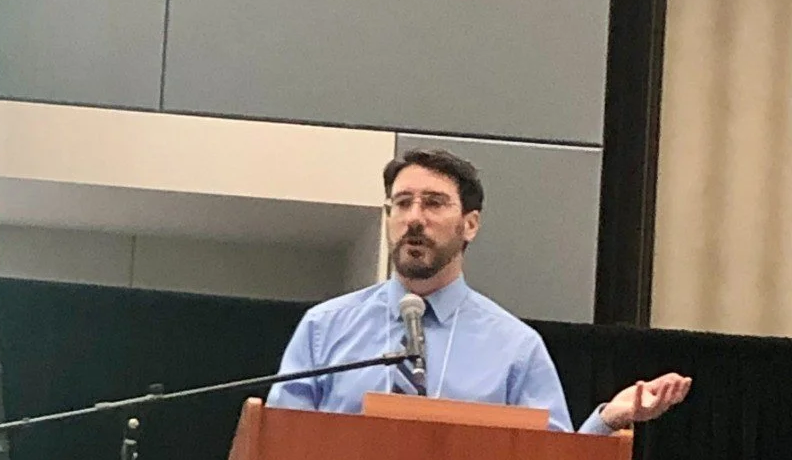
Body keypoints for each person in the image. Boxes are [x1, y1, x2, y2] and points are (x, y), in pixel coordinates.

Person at [267, 148, 691, 431]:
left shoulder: (514, 347)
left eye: (434, 203)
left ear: (470, 224)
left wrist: (607, 420)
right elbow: (279, 447)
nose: (414, 218)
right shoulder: (325, 328)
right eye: (402, 203)